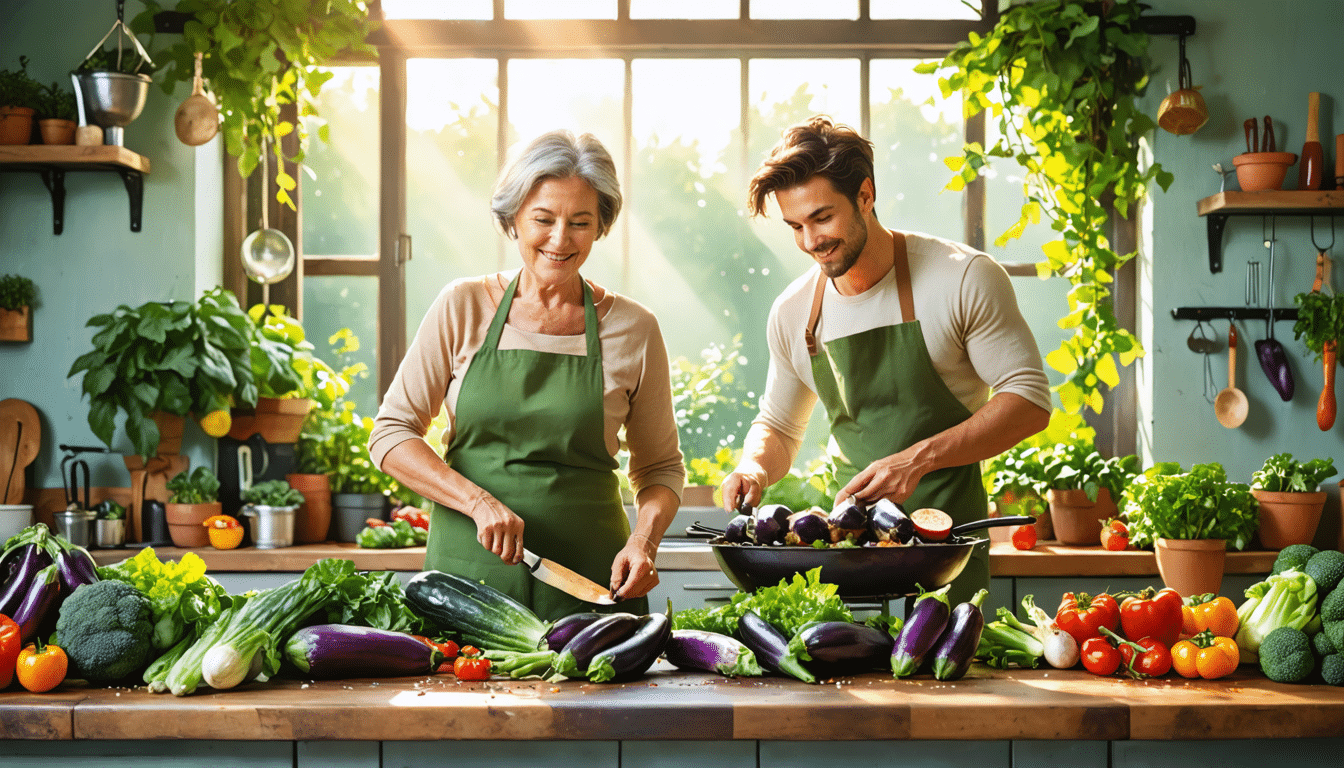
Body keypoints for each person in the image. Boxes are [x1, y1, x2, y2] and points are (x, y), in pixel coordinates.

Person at [719, 116, 1051, 603]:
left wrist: (917, 460)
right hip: (844, 557)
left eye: (822, 218)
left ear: (865, 195)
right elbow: (780, 426)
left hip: (945, 556)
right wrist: (753, 468)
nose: (810, 242)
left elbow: (1029, 400)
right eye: (795, 226)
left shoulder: (961, 278)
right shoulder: (794, 312)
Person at [370, 130, 685, 620]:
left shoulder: (634, 328)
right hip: (467, 580)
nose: (560, 239)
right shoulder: (462, 306)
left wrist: (643, 541)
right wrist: (476, 502)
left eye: (580, 222)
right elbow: (391, 434)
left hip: (590, 582)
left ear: (600, 226)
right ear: (513, 217)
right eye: (543, 219)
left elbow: (661, 467)